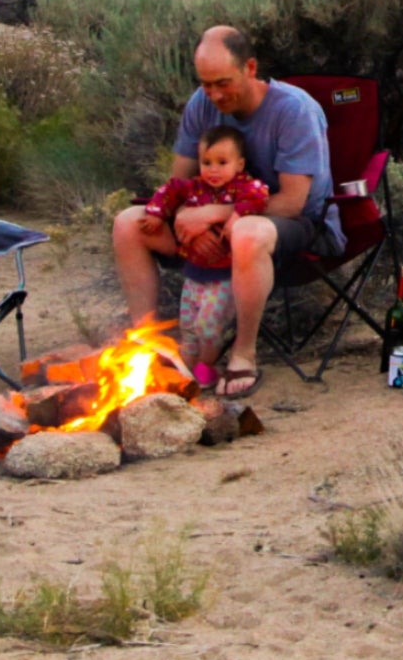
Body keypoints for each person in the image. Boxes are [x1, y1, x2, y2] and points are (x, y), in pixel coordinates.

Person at [112, 25, 342, 398]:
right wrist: (197, 228)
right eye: (206, 84)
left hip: (296, 229)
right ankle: (148, 343)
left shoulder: (294, 110)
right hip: (218, 228)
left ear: (250, 67)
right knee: (127, 224)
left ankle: (243, 354)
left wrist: (215, 215)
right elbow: (181, 181)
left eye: (223, 83)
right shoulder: (201, 104)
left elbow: (293, 202)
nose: (214, 95)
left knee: (247, 231)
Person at [140, 126, 270, 387]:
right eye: (206, 162)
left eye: (222, 163)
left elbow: (259, 194)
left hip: (224, 274)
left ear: (239, 164)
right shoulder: (194, 188)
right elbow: (170, 190)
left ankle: (206, 365)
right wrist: (156, 213)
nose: (213, 170)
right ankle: (185, 368)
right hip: (195, 272)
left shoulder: (241, 186)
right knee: (188, 325)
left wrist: (236, 214)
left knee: (208, 327)